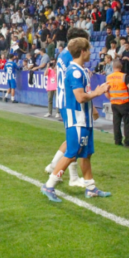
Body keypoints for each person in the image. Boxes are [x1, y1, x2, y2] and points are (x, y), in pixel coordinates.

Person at [40, 37, 111, 202]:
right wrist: (98, 92)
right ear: (82, 51)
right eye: (88, 50)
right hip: (77, 120)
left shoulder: (81, 70)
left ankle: (91, 187)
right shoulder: (75, 71)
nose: (90, 53)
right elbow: (80, 97)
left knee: (86, 154)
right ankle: (49, 185)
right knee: (71, 154)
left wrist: (92, 108)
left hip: (84, 119)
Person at [44, 28, 93, 187]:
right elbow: (72, 81)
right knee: (74, 139)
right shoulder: (69, 57)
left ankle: (62, 170)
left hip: (65, 99)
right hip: (70, 101)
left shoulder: (62, 55)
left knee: (72, 138)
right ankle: (58, 171)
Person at [105, 60, 129, 148]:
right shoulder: (124, 76)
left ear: (113, 67)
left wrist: (110, 98)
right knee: (127, 123)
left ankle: (117, 141)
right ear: (121, 67)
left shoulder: (108, 77)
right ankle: (127, 142)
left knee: (116, 123)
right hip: (124, 103)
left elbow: (106, 90)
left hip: (114, 103)